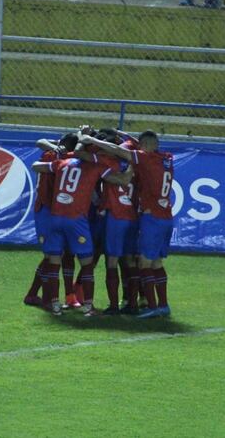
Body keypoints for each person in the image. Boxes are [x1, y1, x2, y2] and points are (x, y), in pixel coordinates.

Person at [30, 137, 133, 316]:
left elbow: (36, 166)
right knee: (86, 262)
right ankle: (88, 306)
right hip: (76, 220)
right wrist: (132, 166)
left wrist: (57, 153)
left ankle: (55, 305)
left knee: (54, 261)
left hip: (55, 217)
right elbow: (122, 181)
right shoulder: (95, 167)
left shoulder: (62, 163)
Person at [78, 130, 175, 319]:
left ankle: (130, 306)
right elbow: (139, 144)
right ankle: (144, 303)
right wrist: (121, 134)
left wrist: (88, 139)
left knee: (121, 261)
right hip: (153, 217)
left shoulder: (116, 160)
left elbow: (102, 152)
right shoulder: (166, 159)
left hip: (128, 217)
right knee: (145, 261)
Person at [23, 134, 82, 309]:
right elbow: (40, 143)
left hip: (48, 209)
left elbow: (41, 141)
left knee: (54, 254)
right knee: (53, 255)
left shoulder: (54, 153)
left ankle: (33, 295)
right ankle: (47, 299)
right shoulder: (62, 158)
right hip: (48, 209)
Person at [95, 131, 139, 315]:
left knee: (111, 261)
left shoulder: (105, 162)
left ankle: (114, 306)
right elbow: (134, 141)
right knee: (129, 260)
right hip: (132, 216)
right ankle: (132, 304)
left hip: (115, 216)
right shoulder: (135, 159)